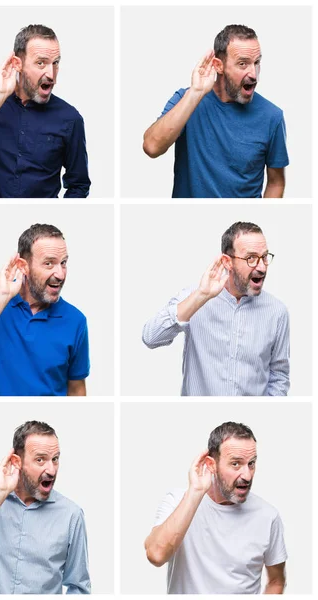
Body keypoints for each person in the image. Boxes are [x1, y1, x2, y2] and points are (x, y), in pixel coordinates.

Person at [142, 221, 289, 396]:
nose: (262, 267)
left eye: (264, 257)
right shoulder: (195, 297)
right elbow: (150, 337)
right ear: (227, 262)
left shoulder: (277, 312)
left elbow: (279, 375)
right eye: (251, 258)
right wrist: (201, 296)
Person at [143, 24, 288, 198]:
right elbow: (152, 147)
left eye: (256, 63)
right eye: (243, 64)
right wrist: (195, 93)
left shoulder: (272, 117)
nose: (254, 74)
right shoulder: (186, 99)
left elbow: (276, 182)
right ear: (218, 66)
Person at [0, 24, 90, 198]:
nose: (51, 74)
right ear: (17, 64)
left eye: (55, 63)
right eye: (41, 63)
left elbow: (79, 184)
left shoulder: (70, 118)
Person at [0, 421, 90, 594]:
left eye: (55, 459)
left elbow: (79, 587)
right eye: (40, 459)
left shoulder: (71, 515)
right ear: (17, 461)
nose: (51, 470)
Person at [0, 223, 89, 395]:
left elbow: (76, 388)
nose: (60, 274)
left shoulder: (76, 320)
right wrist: (1, 297)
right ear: (23, 266)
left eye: (63, 263)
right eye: (49, 263)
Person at [145, 422, 287, 594]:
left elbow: (276, 581)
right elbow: (156, 555)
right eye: (236, 464)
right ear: (211, 465)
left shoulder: (268, 516)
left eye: (251, 463)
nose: (247, 475)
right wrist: (196, 492)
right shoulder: (177, 501)